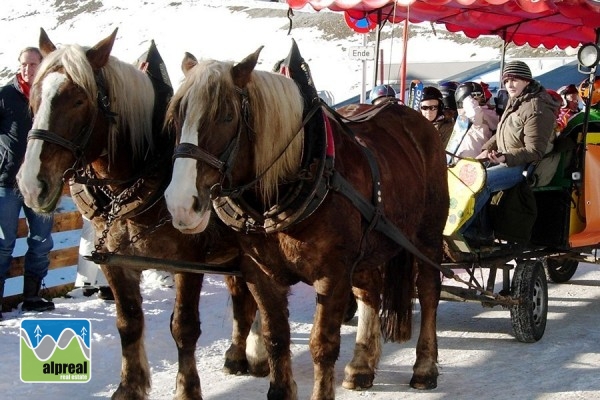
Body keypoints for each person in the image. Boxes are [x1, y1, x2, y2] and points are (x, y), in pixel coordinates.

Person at [462, 60, 557, 238]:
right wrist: (486, 149)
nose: (509, 84)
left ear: (526, 81)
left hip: (523, 166)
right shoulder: (517, 100)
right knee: (467, 176)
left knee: (483, 182)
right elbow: (502, 132)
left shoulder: (537, 107)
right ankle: (472, 227)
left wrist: (505, 157)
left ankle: (468, 232)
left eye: (515, 80)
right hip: (506, 160)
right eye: (506, 81)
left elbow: (535, 150)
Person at [0, 47, 55, 317]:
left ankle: (32, 296)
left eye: (33, 64)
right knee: (3, 243)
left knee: (41, 240)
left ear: (41, 66)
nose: (27, 69)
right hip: (7, 183)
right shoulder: (5, 95)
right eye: (24, 64)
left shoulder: (50, 96)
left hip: (40, 183)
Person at [453, 81, 499, 158]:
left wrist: (467, 99)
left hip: (476, 160)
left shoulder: (484, 114)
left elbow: (474, 115)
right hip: (461, 161)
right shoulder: (463, 117)